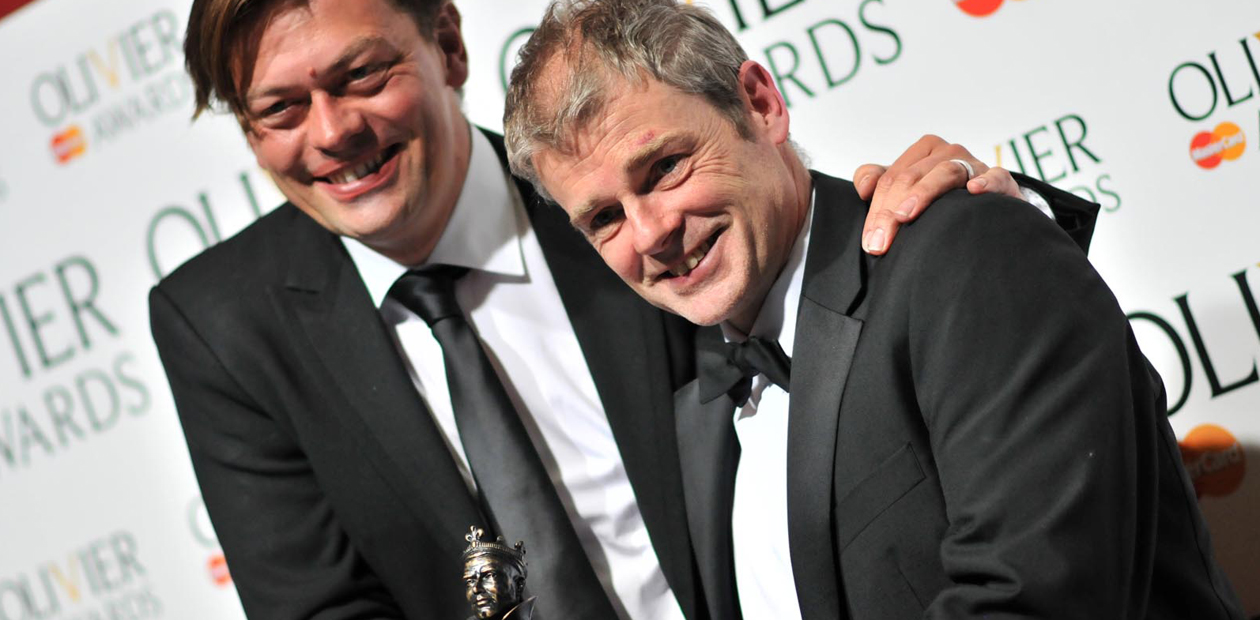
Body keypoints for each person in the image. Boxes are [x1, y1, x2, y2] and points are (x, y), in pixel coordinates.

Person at [150, 0, 1097, 618]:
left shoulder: (615, 186)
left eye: (362, 76)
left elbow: (830, 259)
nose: (333, 131)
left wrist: (990, 220)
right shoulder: (224, 325)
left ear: (445, 44)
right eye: (279, 110)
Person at [501, 0, 1246, 618]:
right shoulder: (699, 418)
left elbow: (1037, 598)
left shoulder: (966, 254)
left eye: (664, 167)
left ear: (760, 104)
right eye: (603, 218)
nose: (651, 232)